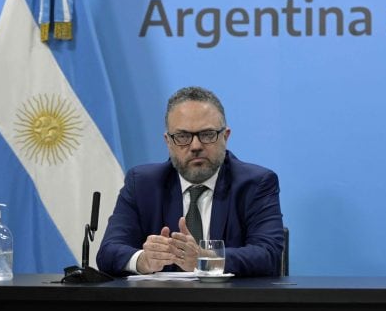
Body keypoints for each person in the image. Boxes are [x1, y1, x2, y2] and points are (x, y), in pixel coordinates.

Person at [97, 86, 285, 276]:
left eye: (207, 135)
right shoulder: (143, 184)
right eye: (183, 136)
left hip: (230, 303)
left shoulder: (256, 183)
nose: (195, 146)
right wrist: (143, 260)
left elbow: (268, 254)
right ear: (168, 141)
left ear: (225, 137)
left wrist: (204, 260)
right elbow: (108, 252)